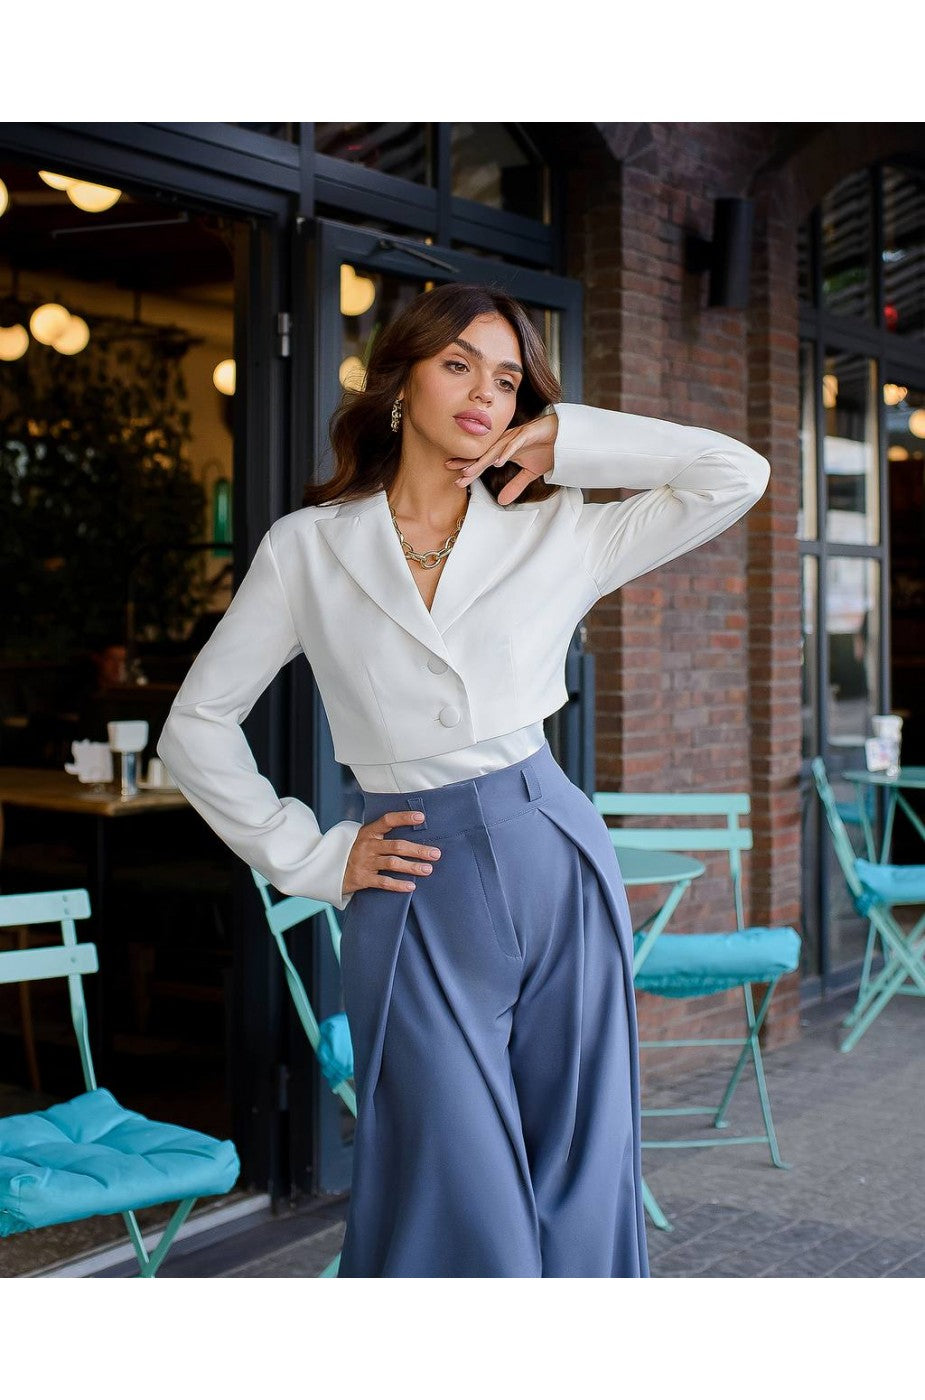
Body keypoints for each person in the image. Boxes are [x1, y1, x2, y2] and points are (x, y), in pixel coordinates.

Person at [156, 282, 770, 1278]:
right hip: (410, 871)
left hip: (550, 849)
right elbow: (195, 727)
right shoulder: (309, 547)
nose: (485, 393)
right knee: (446, 1182)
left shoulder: (558, 528)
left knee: (578, 1165)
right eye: (457, 365)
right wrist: (311, 857)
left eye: (507, 379)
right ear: (400, 381)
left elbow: (734, 473)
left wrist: (568, 440)